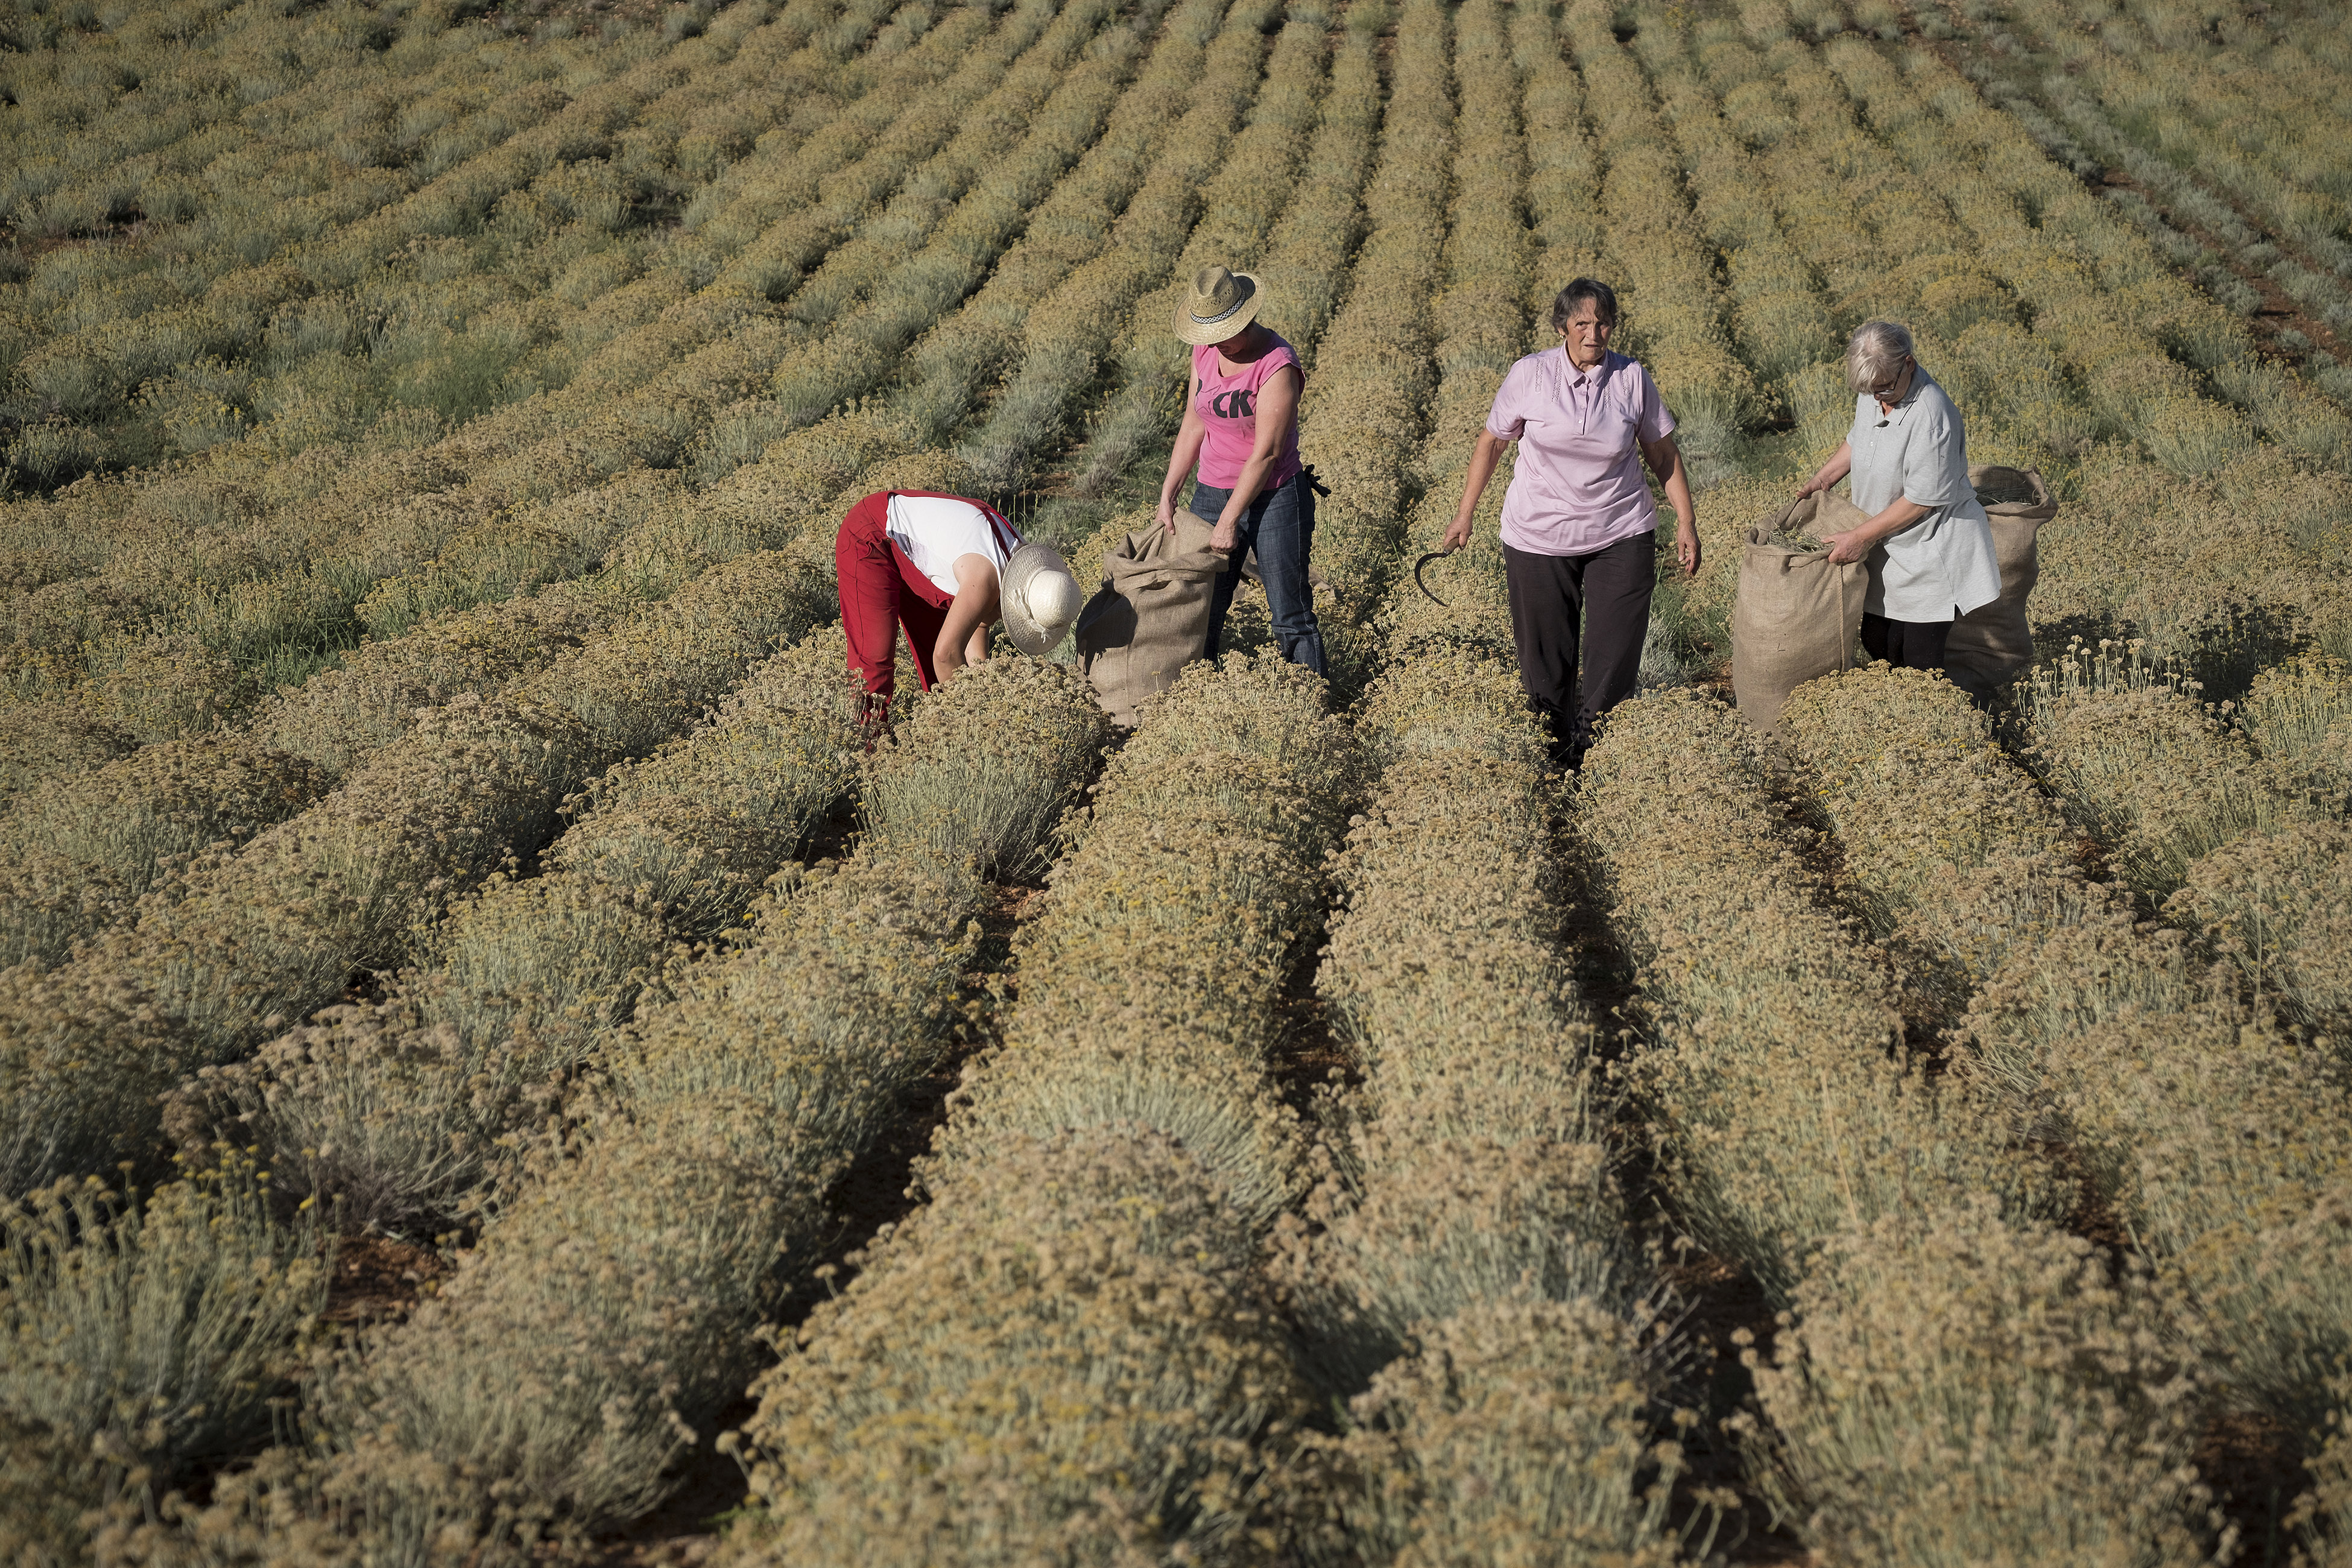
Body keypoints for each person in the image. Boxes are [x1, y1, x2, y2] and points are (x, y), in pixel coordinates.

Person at [1440, 277, 1699, 766]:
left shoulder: (1630, 378)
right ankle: (1553, 757)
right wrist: (1464, 514)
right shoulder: (1530, 375)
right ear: (1563, 327)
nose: (1593, 333)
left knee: (1614, 655)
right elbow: (1492, 443)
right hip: (1539, 535)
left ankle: (1599, 758)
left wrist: (1685, 522)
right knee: (1545, 659)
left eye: (1602, 323)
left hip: (1621, 531)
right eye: (1582, 323)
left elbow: (1662, 453)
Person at [1795, 320, 2000, 672]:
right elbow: (1859, 438)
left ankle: (1945, 722)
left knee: (1917, 659)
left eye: (1885, 388)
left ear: (1908, 363)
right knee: (1877, 639)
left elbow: (1922, 500)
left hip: (1931, 550)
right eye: (1870, 390)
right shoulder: (1877, 388)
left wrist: (1860, 537)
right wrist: (1823, 479)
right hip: (1886, 542)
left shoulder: (1932, 416)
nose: (1877, 397)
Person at [1154, 264, 1324, 675]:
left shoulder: (1277, 365)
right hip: (1212, 492)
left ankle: (1313, 704)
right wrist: (1170, 491)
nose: (1214, 345)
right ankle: (1199, 695)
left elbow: (1266, 454)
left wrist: (1231, 520)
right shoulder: (1205, 352)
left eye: (1222, 334)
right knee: (1202, 607)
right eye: (1207, 336)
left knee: (1289, 613)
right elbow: (1195, 421)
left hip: (1276, 497)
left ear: (1245, 318)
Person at [833, 487, 1083, 732]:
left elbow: (979, 629)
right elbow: (945, 656)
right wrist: (972, 723)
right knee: (873, 666)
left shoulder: (1018, 561)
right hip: (871, 535)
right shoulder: (985, 581)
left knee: (939, 676)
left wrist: (987, 702)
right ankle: (868, 751)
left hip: (912, 553)